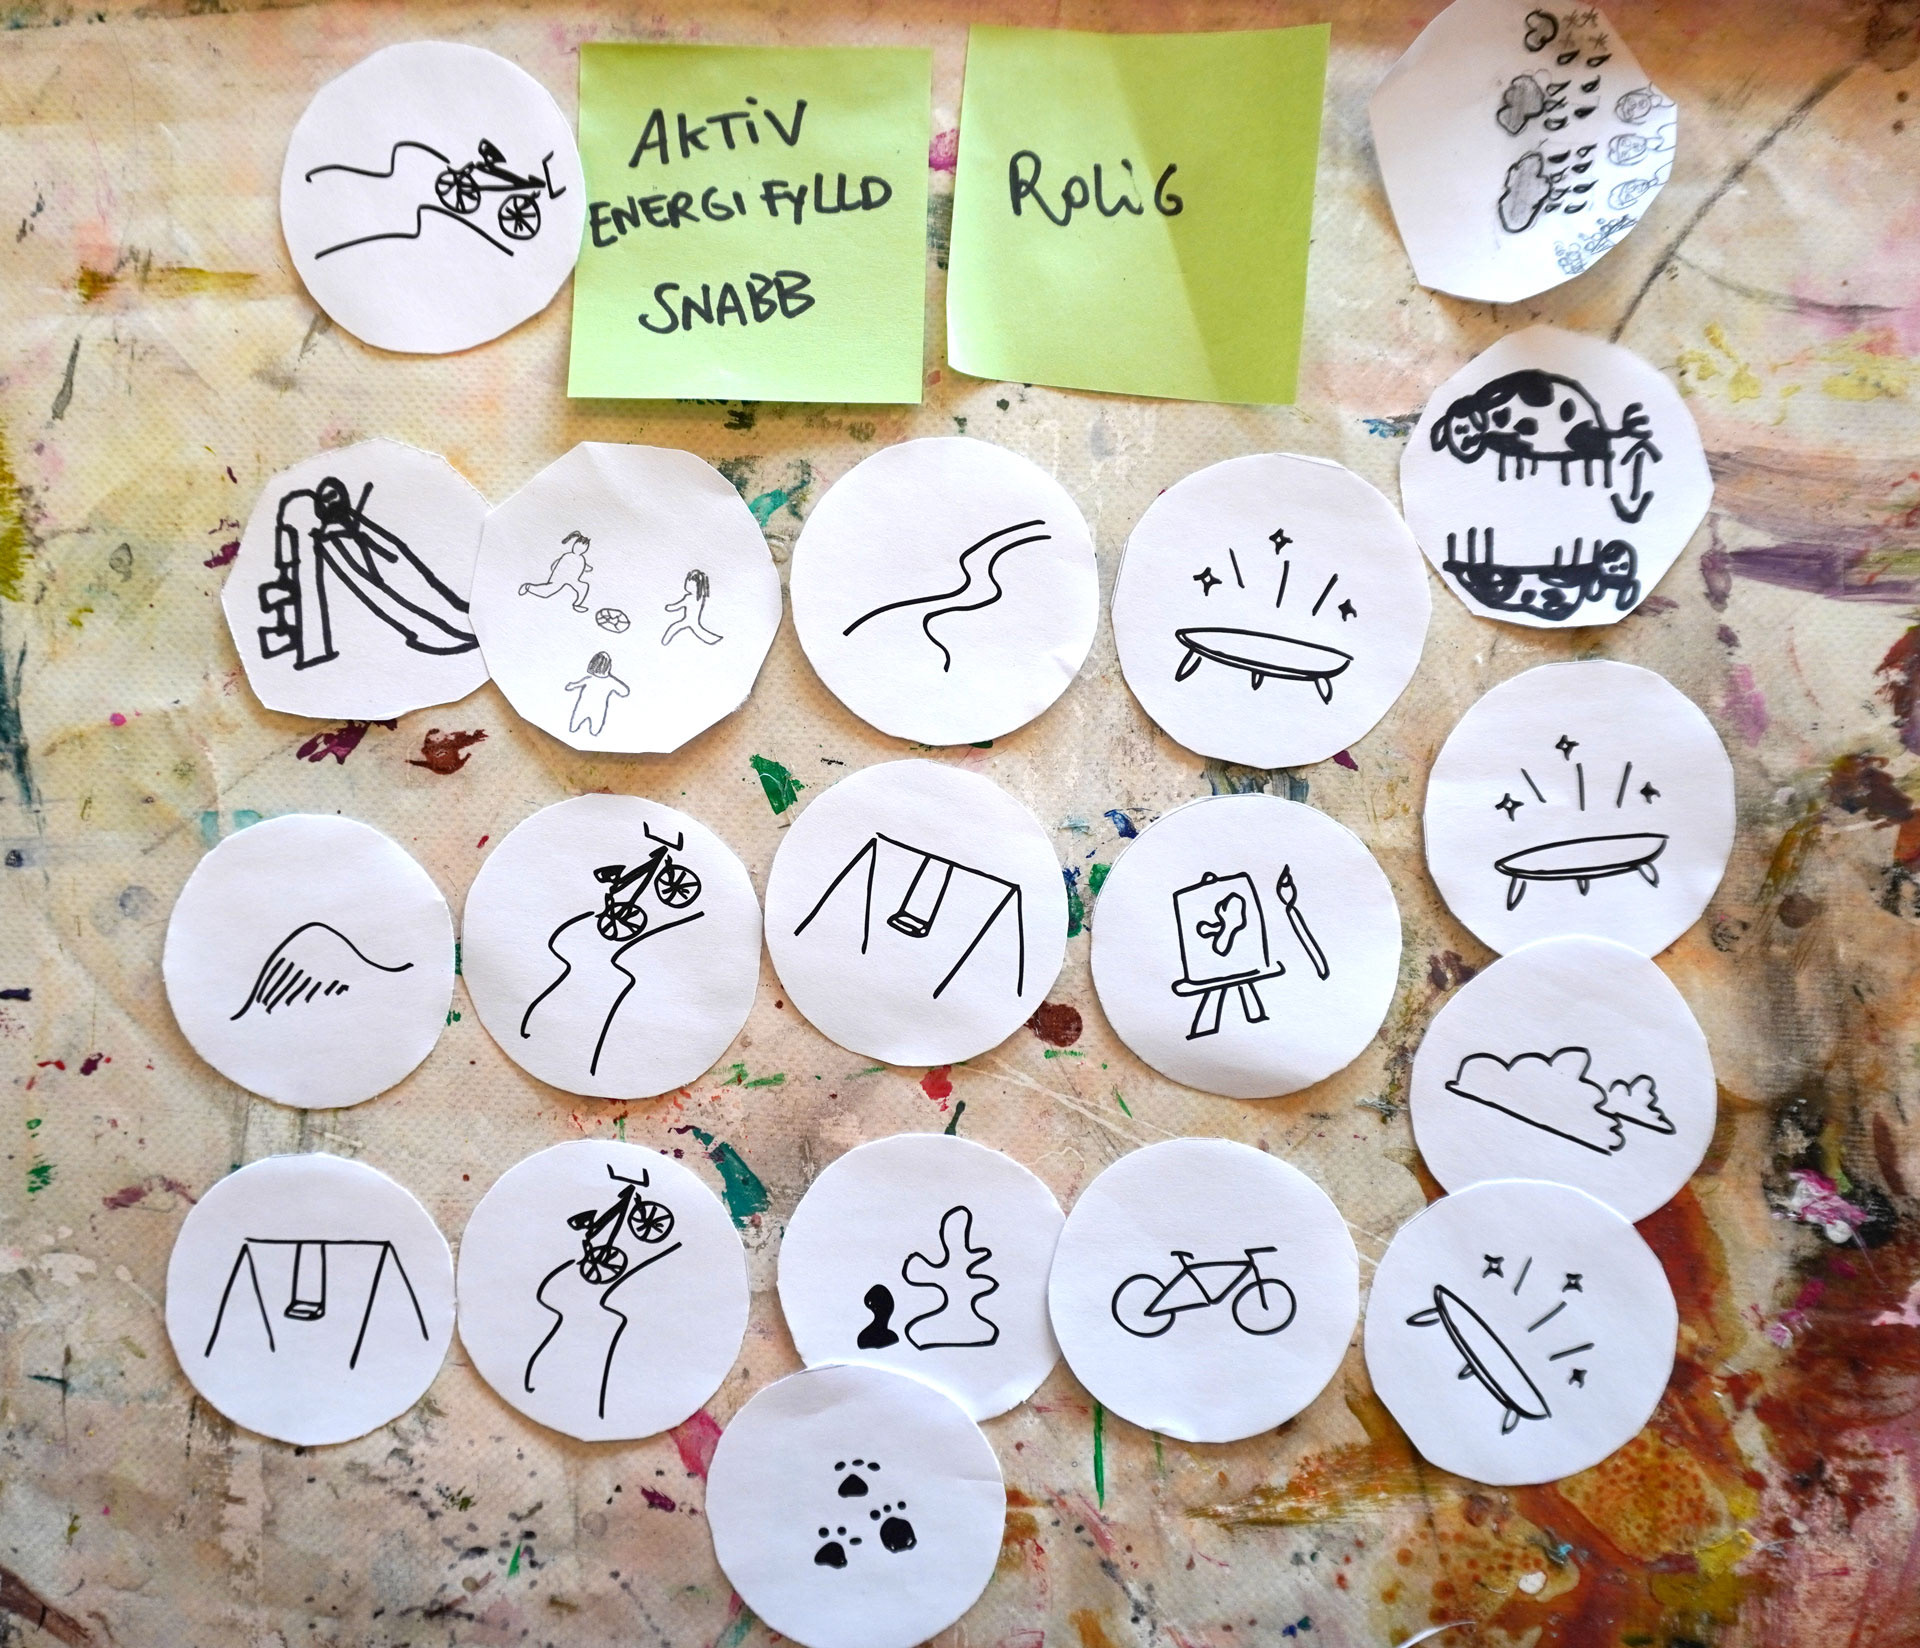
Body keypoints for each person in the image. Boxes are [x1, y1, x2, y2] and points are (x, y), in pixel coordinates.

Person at [520, 530, 594, 613]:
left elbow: (583, 565)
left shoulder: (581, 559)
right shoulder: (567, 556)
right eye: (578, 547)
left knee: (584, 587)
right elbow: (556, 563)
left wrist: (588, 568)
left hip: (572, 579)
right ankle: (528, 587)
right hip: (560, 577)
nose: (580, 550)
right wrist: (554, 570)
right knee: (546, 592)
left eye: (584, 548)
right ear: (574, 545)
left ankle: (577, 604)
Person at [564, 651, 628, 738]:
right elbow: (624, 691)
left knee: (574, 728)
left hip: (584, 706)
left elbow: (571, 686)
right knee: (594, 731)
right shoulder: (610, 682)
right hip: (598, 710)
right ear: (608, 667)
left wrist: (571, 685)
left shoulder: (589, 679)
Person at [660, 567, 722, 646]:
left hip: (688, 620)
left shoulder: (689, 598)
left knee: (676, 627)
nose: (686, 584)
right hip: (693, 620)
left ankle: (664, 642)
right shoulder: (700, 598)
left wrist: (669, 607)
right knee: (698, 631)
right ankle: (714, 639)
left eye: (689, 582)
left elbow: (676, 606)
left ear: (696, 585)